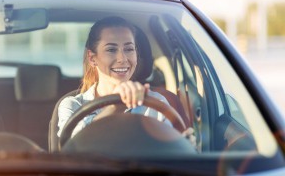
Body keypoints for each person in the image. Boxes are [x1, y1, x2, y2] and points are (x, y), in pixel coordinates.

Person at [57, 16, 196, 146]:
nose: (122, 59)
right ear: (92, 58)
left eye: (129, 49)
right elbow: (73, 149)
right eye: (111, 49)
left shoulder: (156, 103)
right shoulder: (72, 105)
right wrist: (116, 106)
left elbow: (169, 153)